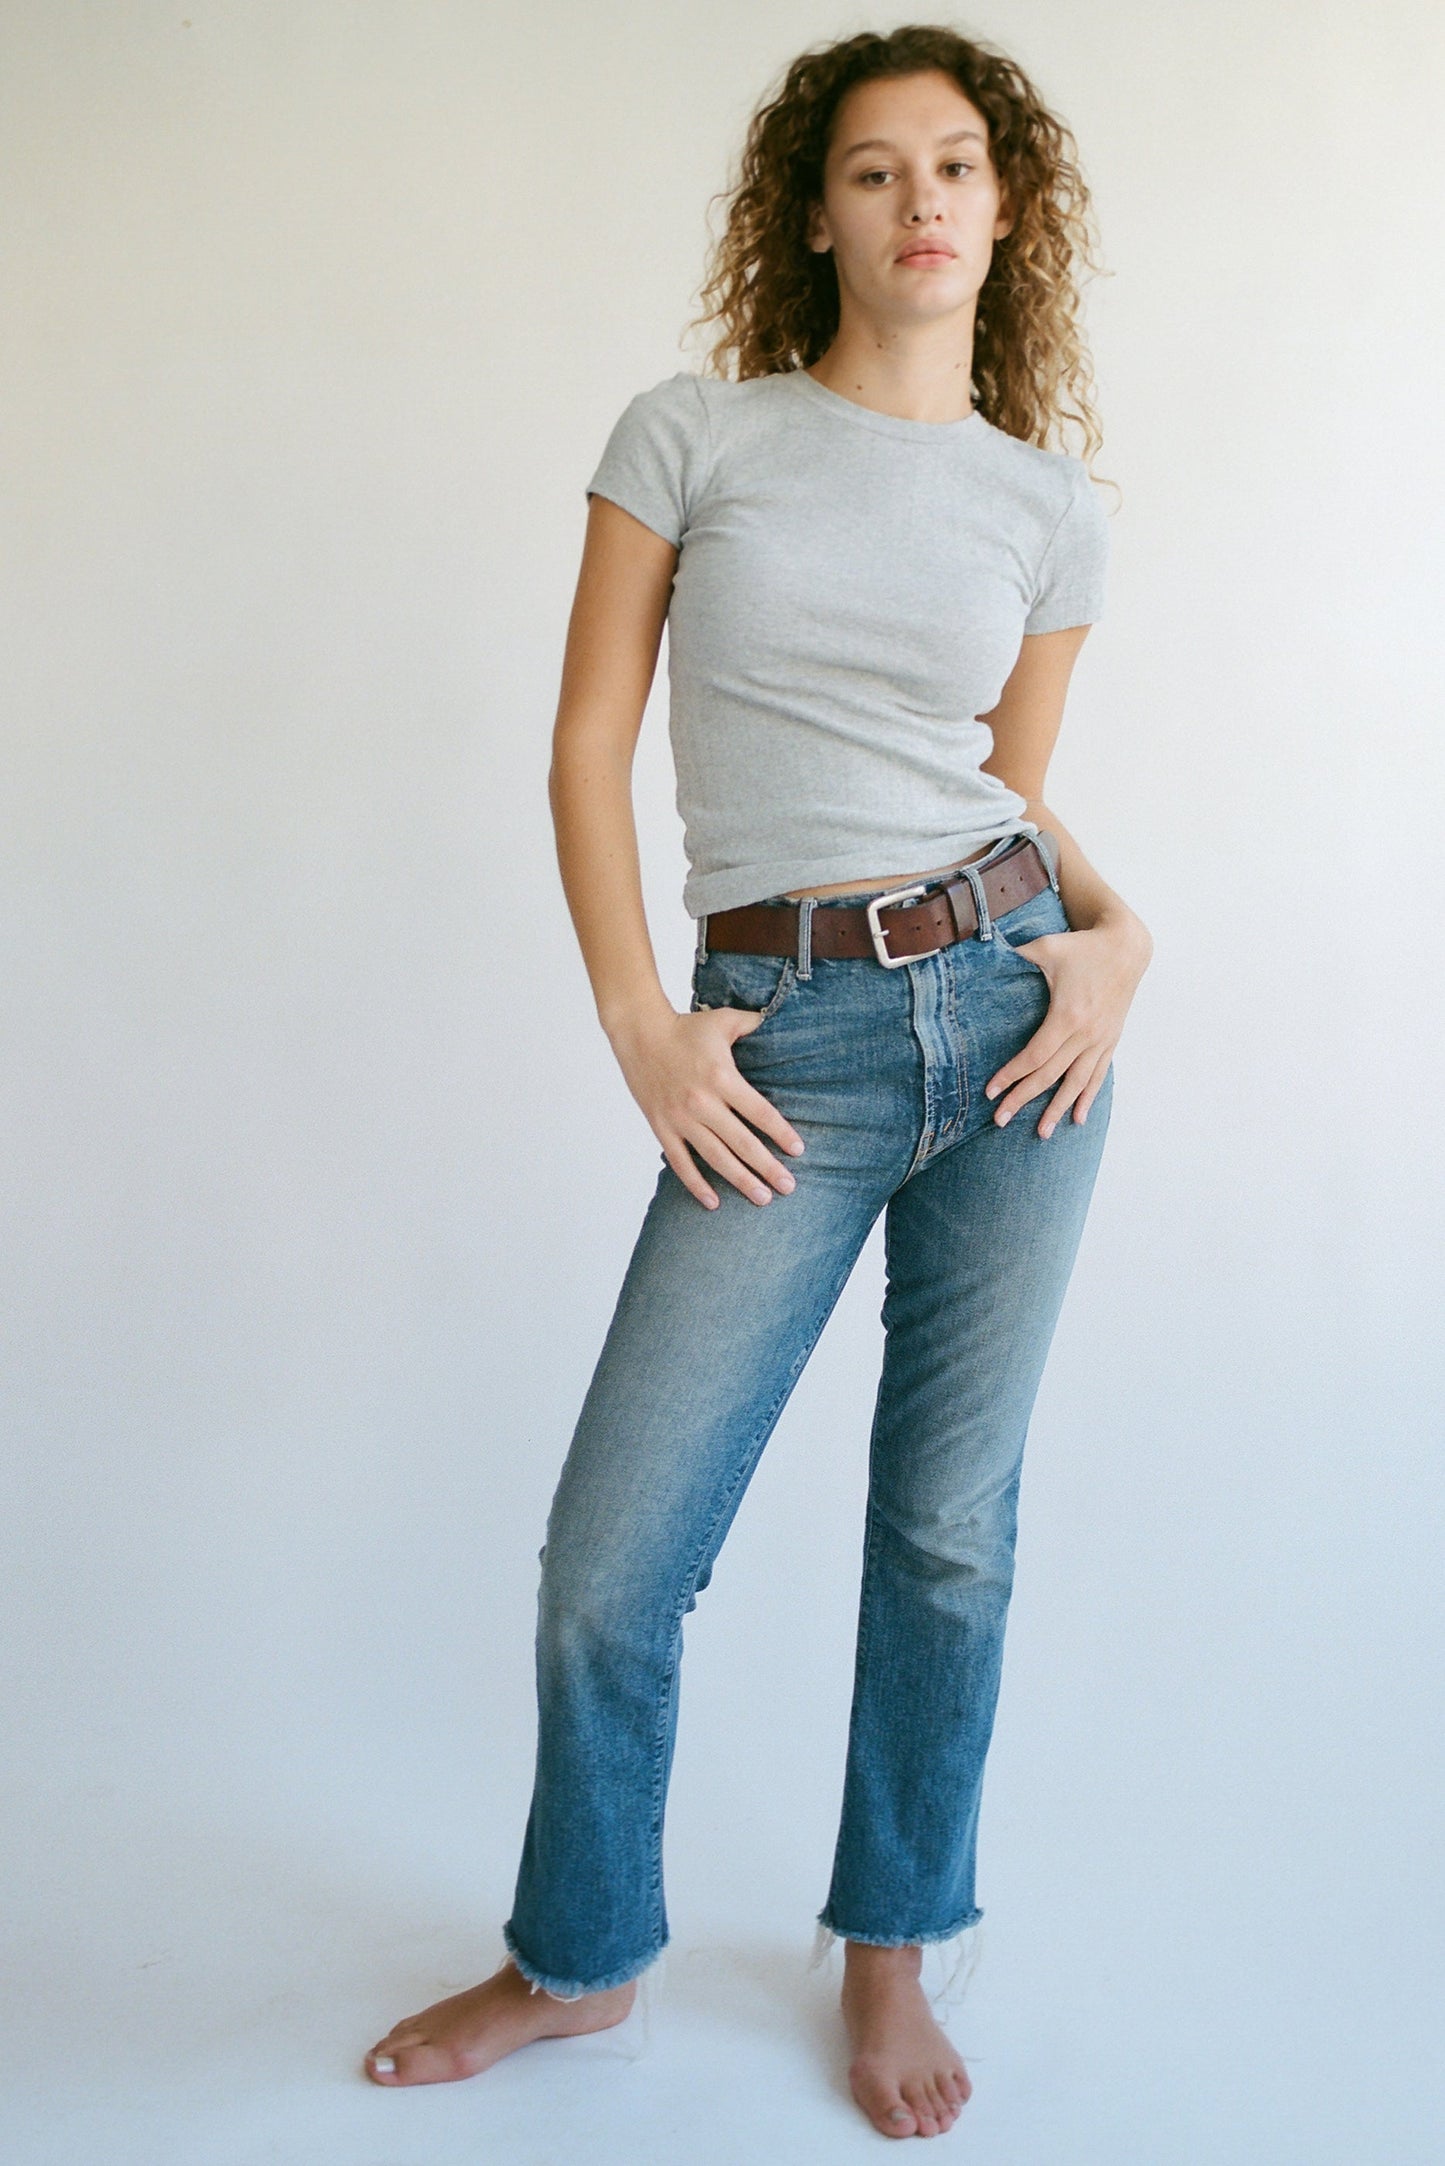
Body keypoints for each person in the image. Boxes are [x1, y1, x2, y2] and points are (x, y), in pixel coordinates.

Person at [365, 23, 1152, 2142]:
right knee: (617, 1552)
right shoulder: (693, 435)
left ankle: (894, 1947)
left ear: (1006, 211)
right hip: (770, 1041)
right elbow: (582, 749)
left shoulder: (1048, 505)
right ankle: (581, 1957)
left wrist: (1126, 939)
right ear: (815, 209)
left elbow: (1009, 795)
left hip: (1010, 1027)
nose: (921, 201)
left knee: (949, 1536)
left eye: (958, 168)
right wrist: (639, 1021)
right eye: (878, 169)